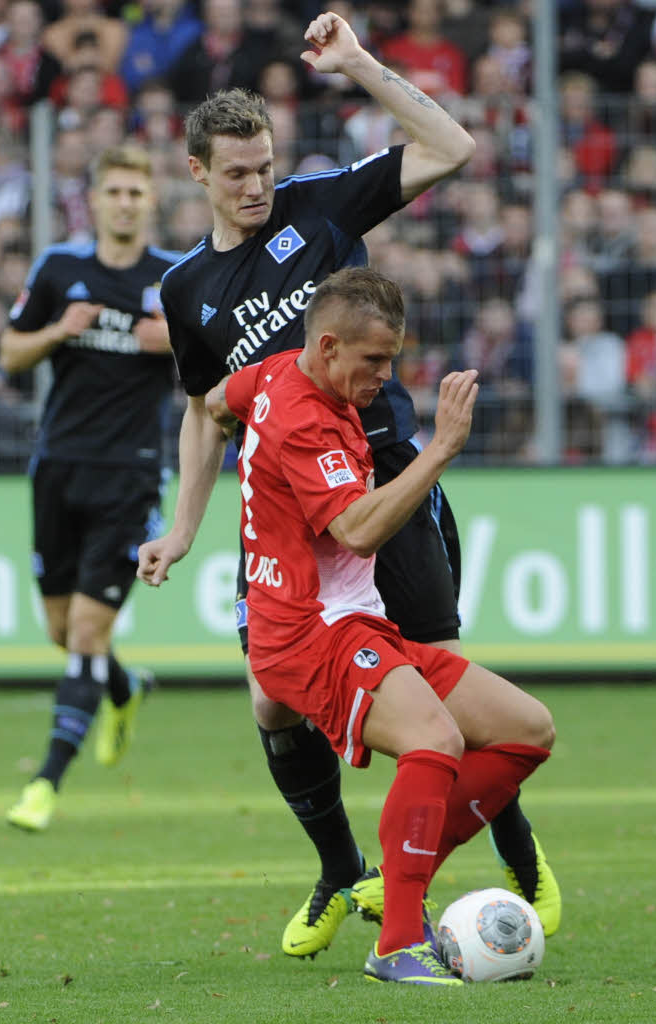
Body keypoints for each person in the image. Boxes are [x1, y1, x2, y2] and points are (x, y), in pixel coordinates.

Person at [137, 10, 561, 959]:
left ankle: (517, 863)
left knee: (446, 705)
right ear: (197, 172)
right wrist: (181, 527)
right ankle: (343, 873)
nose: (256, 186)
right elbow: (205, 410)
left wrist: (360, 63)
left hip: (383, 492)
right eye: (237, 172)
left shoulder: (318, 207)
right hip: (283, 522)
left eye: (265, 165)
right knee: (270, 703)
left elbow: (451, 145)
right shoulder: (185, 290)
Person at [200, 267, 556, 985]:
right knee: (435, 741)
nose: (384, 377)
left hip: (355, 621)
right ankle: (397, 939)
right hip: (307, 629)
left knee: (526, 728)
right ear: (327, 346)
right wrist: (441, 447)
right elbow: (358, 529)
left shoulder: (268, 376)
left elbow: (214, 402)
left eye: (391, 359)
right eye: (373, 361)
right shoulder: (303, 415)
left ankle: (398, 880)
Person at [0, 145, 180, 831]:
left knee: (83, 631)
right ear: (96, 200)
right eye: (116, 192)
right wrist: (56, 331)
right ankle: (124, 688)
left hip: (130, 473)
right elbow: (9, 352)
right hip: (58, 465)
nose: (127, 202)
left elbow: (216, 356)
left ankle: (44, 784)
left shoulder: (174, 278)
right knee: (60, 629)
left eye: (138, 192)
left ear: (150, 201)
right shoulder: (59, 269)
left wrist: (176, 341)